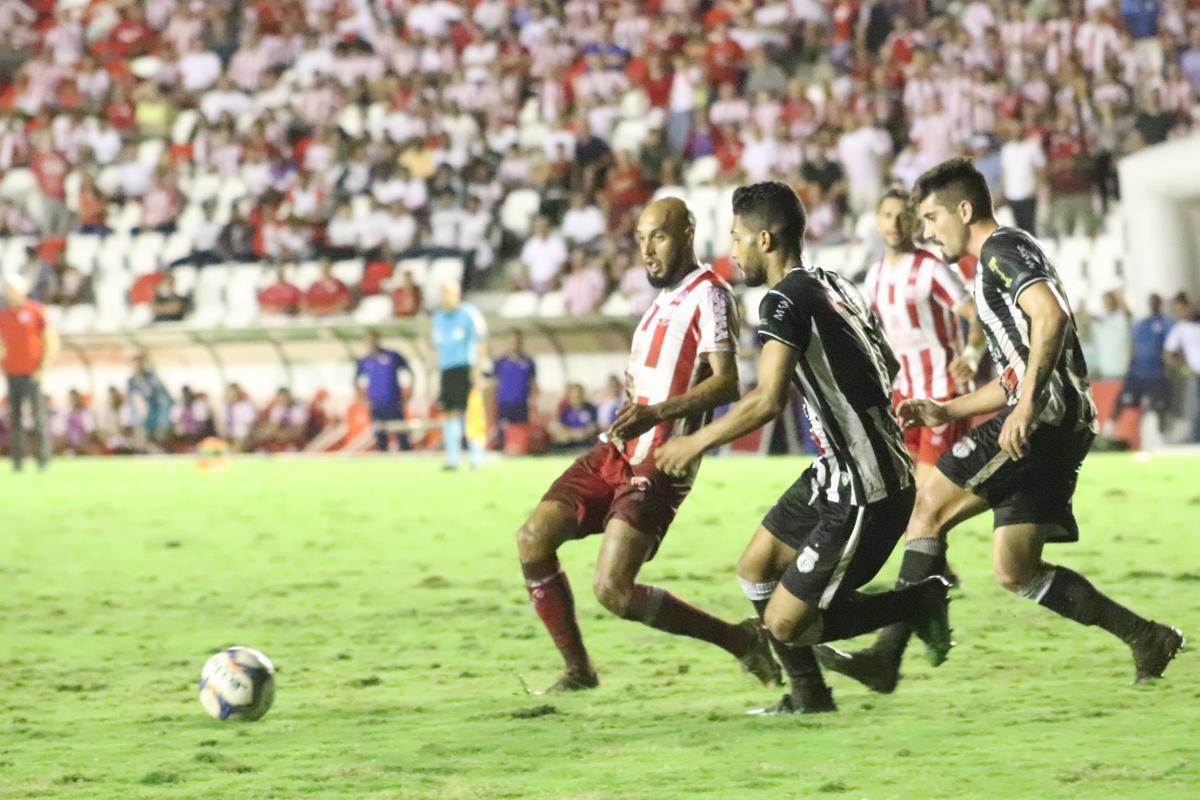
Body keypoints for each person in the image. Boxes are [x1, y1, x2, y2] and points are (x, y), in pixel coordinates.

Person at [816, 158, 1183, 693]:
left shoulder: (999, 252)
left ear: (964, 211)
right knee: (1016, 568)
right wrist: (951, 408)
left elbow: (1051, 315)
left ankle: (885, 657)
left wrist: (1029, 406)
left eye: (932, 217)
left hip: (1043, 420)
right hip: (1063, 421)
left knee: (925, 510)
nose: (927, 230)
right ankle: (1145, 636)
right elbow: (1017, 370)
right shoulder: (1005, 253)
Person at [654, 183, 948, 715]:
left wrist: (695, 439)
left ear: (764, 239)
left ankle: (920, 601)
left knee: (784, 621)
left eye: (737, 237)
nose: (732, 248)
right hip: (839, 468)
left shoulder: (781, 301)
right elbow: (888, 360)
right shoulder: (833, 283)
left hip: (866, 486)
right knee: (755, 568)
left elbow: (767, 400)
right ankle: (810, 695)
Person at [515, 197, 779, 694]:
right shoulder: (659, 301)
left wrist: (656, 412)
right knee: (532, 539)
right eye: (640, 239)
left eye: (657, 236)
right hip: (615, 449)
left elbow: (726, 384)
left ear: (687, 233)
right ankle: (578, 671)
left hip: (662, 458)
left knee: (613, 590)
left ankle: (741, 641)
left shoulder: (712, 295)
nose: (647, 250)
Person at [864, 188, 984, 487]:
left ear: (916, 222)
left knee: (927, 495)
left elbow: (977, 314)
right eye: (888, 216)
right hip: (903, 395)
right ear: (878, 221)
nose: (895, 223)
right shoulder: (873, 276)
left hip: (943, 392)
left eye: (903, 216)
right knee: (905, 495)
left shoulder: (931, 269)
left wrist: (971, 356)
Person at [0, 274, 58, 471]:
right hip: (12, 373)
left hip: (32, 372)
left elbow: (49, 339)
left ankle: (43, 459)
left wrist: (44, 366)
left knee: (38, 416)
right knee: (14, 418)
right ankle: (17, 461)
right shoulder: (3, 315)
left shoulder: (35, 311)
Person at [431, 279, 486, 470]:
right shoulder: (437, 317)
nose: (446, 297)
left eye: (450, 293)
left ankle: (476, 458)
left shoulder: (469, 314)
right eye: (444, 293)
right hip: (447, 370)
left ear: (458, 294)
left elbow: (480, 342)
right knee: (449, 413)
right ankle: (453, 459)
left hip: (466, 368)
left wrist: (477, 371)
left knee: (472, 413)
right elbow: (436, 347)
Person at [1111, 294, 1174, 435]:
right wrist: (1129, 366)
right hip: (1137, 372)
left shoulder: (1167, 322)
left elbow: (1170, 347)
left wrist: (1168, 369)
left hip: (1156, 373)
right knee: (1121, 402)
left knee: (1159, 408)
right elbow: (1133, 346)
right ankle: (1108, 432)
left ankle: (1162, 437)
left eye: (1156, 302)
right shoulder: (1142, 323)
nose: (1154, 305)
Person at [356, 330, 412, 452]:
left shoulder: (392, 356)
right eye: (367, 341)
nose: (370, 344)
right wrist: (362, 399)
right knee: (381, 438)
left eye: (372, 340)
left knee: (402, 435)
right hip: (376, 406)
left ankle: (408, 461)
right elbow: (356, 380)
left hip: (394, 403)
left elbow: (409, 372)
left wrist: (409, 394)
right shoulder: (364, 361)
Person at [1164, 293, 1200, 443]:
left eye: (1181, 309)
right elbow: (1168, 353)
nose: (1179, 313)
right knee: (1195, 411)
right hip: (1195, 376)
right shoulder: (1180, 328)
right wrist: (1183, 368)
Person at [493, 331, 537, 445]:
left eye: (517, 341)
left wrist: (534, 400)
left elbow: (533, 383)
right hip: (504, 403)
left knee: (520, 433)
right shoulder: (500, 362)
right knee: (503, 432)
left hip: (521, 403)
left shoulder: (528, 362)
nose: (514, 344)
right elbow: (494, 382)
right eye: (511, 341)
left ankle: (519, 451)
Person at [549, 383, 599, 449]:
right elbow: (560, 426)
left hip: (585, 440)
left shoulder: (591, 409)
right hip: (568, 439)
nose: (576, 398)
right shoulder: (565, 410)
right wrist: (573, 434)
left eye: (578, 395)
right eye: (573, 396)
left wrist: (582, 433)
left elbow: (593, 427)